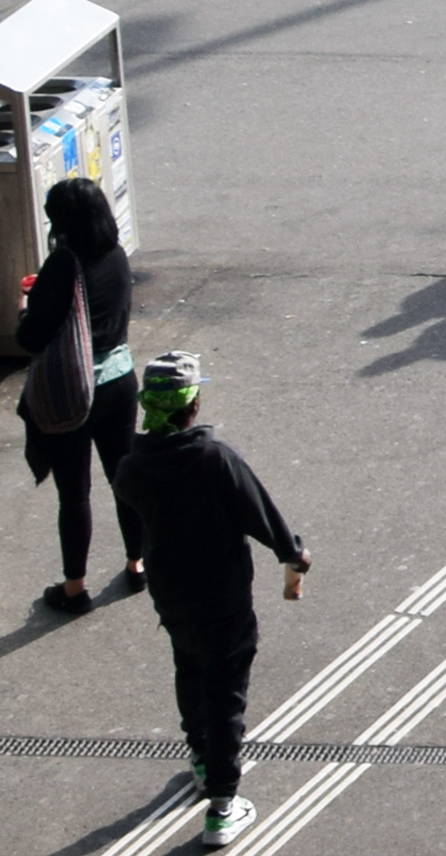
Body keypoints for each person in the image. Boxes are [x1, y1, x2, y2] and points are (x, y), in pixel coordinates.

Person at [114, 350, 308, 851]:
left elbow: (134, 509)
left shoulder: (133, 466)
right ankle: (223, 805)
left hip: (171, 593)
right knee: (226, 694)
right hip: (221, 596)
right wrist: (293, 554)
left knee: (189, 666)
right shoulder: (214, 458)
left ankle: (200, 758)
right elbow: (260, 513)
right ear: (193, 404)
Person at [15, 175, 140, 611]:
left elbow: (32, 337)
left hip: (74, 389)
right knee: (123, 478)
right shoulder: (117, 256)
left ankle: (74, 588)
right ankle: (137, 564)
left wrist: (24, 309)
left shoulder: (63, 266)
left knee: (75, 494)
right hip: (121, 380)